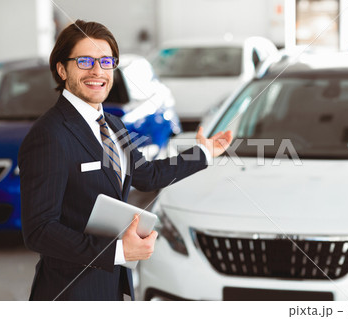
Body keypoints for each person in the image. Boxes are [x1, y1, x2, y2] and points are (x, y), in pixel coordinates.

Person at [18, 19, 232, 301]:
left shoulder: (113, 125)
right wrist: (119, 251)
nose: (98, 70)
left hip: (109, 285)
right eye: (85, 61)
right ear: (62, 69)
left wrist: (202, 153)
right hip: (69, 291)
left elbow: (147, 175)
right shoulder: (50, 135)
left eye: (106, 61)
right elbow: (40, 230)